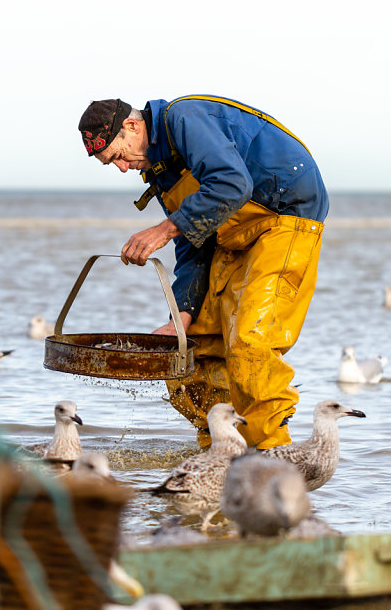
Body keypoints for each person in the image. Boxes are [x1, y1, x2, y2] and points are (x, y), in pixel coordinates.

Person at [78, 95, 329, 449]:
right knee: (190, 347)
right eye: (112, 164)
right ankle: (220, 450)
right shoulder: (160, 169)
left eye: (118, 156)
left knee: (250, 342)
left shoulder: (183, 118)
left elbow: (232, 184)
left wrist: (163, 229)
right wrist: (180, 318)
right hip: (231, 233)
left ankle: (271, 453)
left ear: (132, 126)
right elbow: (194, 242)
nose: (122, 168)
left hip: (285, 216)